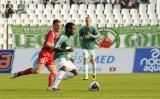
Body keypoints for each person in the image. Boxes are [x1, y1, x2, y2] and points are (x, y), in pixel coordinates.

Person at [10, 19, 62, 90]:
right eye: (57, 26)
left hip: (50, 55)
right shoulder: (51, 33)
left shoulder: (58, 34)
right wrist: (55, 47)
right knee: (37, 71)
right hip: (45, 54)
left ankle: (51, 86)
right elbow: (47, 43)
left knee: (54, 72)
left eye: (60, 26)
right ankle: (17, 74)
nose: (59, 27)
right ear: (53, 25)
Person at [51, 22, 78, 91]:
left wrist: (69, 57)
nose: (74, 31)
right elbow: (54, 48)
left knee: (75, 72)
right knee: (64, 68)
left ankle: (55, 78)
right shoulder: (62, 37)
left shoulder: (70, 38)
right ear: (68, 29)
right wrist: (67, 50)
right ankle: (54, 87)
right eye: (73, 29)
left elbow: (67, 49)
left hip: (65, 58)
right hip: (58, 57)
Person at [79, 16, 99, 80]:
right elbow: (81, 37)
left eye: (88, 20)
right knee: (85, 60)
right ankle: (86, 75)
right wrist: (85, 37)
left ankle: (94, 74)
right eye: (86, 20)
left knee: (93, 61)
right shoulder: (82, 29)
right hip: (85, 47)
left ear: (90, 21)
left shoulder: (93, 29)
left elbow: (97, 36)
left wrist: (92, 36)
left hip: (92, 47)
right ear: (85, 21)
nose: (87, 22)